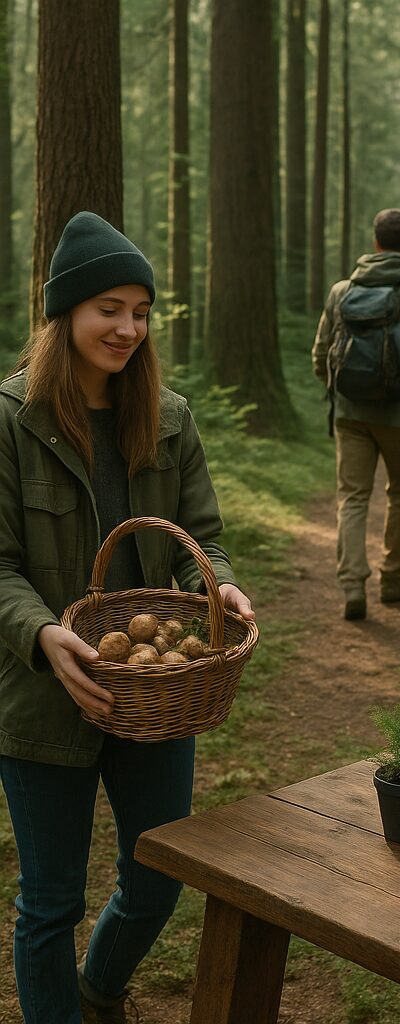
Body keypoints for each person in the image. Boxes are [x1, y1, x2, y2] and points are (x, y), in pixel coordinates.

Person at [0, 211, 255, 1022]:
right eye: (108, 308)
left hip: (155, 696)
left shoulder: (168, 417)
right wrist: (44, 634)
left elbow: (198, 539)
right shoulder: (11, 421)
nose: (128, 328)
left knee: (157, 878)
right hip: (43, 698)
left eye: (140, 312)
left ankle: (100, 986)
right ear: (65, 311)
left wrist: (217, 584)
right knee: (49, 904)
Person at [312, 208, 400, 621]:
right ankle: (392, 578)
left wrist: (341, 393)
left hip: (350, 415)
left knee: (353, 497)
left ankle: (353, 584)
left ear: (375, 243)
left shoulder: (342, 290)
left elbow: (321, 354)